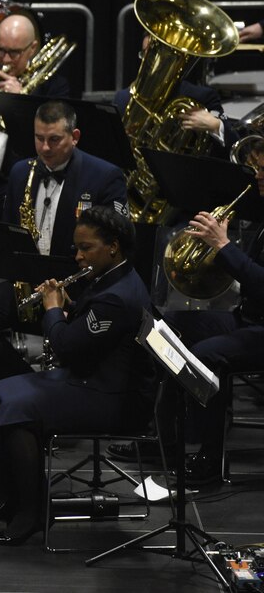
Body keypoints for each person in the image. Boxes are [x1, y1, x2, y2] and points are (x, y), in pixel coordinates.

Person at [0, 206, 154, 546]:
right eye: (77, 248)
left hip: (111, 396)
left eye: (86, 248)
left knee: (18, 408)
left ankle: (31, 510)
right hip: (91, 380)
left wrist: (52, 309)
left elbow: (66, 347)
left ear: (113, 246)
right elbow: (87, 331)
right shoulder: (109, 277)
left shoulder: (117, 295)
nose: (77, 256)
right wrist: (70, 306)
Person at [0, 100, 127, 385]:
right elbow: (9, 233)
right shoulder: (21, 172)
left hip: (77, 289)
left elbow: (116, 245)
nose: (44, 148)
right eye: (39, 138)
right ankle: (17, 383)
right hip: (27, 285)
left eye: (54, 139)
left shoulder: (104, 176)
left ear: (74, 137)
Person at [150, 136, 264, 486]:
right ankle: (164, 440)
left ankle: (210, 460)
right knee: (169, 328)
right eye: (257, 168)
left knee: (206, 356)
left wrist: (223, 245)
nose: (257, 176)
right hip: (250, 317)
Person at [113, 35, 239, 159]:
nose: (148, 59)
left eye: (156, 52)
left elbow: (237, 147)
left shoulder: (202, 97)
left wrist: (216, 125)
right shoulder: (124, 98)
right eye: (145, 53)